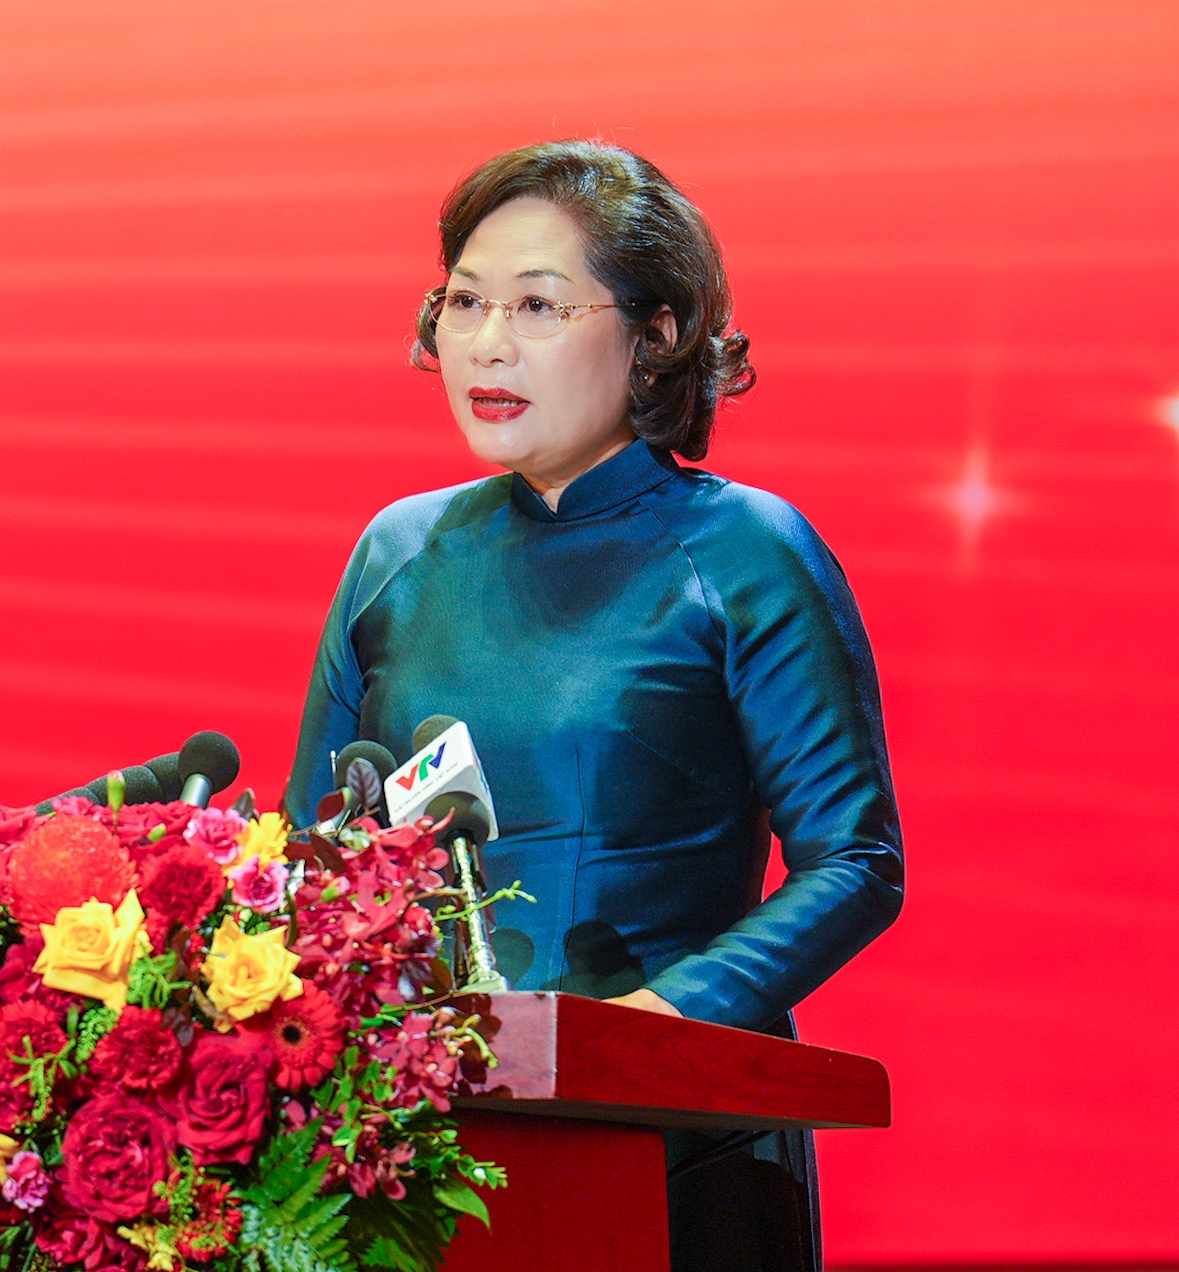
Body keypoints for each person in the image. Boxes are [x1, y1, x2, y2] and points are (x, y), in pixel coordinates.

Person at [283, 140, 905, 1271]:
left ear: (654, 335)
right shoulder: (399, 551)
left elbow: (856, 862)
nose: (489, 342)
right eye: (465, 301)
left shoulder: (744, 551)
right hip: (419, 1152)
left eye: (538, 304)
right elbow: (305, 859)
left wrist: (652, 1029)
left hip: (674, 1140)